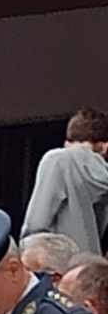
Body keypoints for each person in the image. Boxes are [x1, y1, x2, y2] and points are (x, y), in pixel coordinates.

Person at [21, 108, 108, 257]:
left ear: (67, 142)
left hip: (60, 270)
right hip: (93, 270)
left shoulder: (58, 160)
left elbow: (36, 225)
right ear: (105, 146)